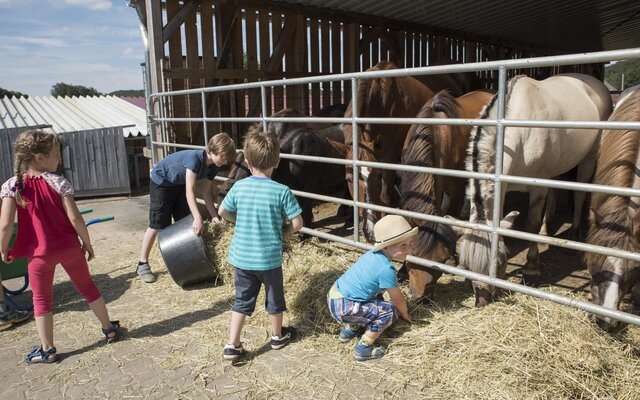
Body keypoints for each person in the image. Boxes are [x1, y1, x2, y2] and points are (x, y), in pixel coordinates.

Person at [0, 129, 120, 364]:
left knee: (41, 301)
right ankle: (109, 329)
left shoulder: (11, 186)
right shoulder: (59, 182)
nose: (59, 159)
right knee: (87, 287)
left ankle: (48, 349)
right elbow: (76, 219)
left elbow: (4, 224)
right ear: (39, 157)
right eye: (56, 154)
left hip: (39, 255)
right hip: (69, 249)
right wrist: (87, 243)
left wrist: (3, 249)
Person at [218, 128, 303, 361]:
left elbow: (222, 211)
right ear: (277, 161)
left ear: (246, 161)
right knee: (275, 300)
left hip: (242, 258)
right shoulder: (282, 191)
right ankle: (277, 336)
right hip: (268, 259)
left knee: (242, 301)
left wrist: (238, 221)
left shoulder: (239, 187)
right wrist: (283, 232)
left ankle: (232, 345)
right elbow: (298, 223)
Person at [136, 132, 236, 283]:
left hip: (178, 184)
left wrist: (215, 217)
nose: (226, 161)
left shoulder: (214, 167)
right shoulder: (194, 159)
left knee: (182, 222)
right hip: (162, 183)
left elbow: (206, 192)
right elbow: (190, 190)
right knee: (157, 224)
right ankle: (142, 263)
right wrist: (198, 217)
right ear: (213, 151)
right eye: (224, 156)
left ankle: (181, 263)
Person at [327, 214, 416, 361]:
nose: (409, 249)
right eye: (403, 245)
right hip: (344, 307)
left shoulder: (372, 255)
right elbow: (397, 299)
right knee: (389, 311)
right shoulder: (386, 269)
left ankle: (349, 330)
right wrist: (405, 314)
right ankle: (364, 348)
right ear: (386, 246)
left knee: (376, 295)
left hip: (335, 297)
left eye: (410, 243)